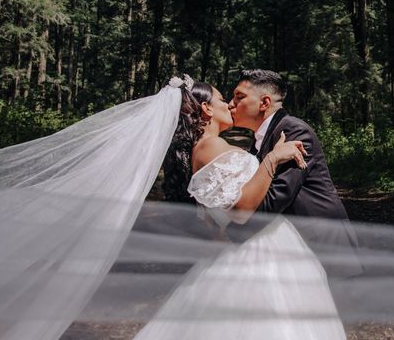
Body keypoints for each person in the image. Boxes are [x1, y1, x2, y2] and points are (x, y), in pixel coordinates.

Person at [131, 75, 347, 339]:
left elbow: (223, 204)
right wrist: (273, 158)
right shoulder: (212, 146)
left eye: (236, 98)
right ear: (206, 109)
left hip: (258, 243)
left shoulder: (206, 148)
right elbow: (244, 209)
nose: (230, 105)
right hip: (260, 249)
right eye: (224, 99)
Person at [229, 69, 358, 250]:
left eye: (239, 97)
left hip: (321, 241)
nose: (230, 104)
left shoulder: (292, 130)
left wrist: (231, 234)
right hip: (291, 243)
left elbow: (278, 195)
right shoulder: (262, 137)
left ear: (264, 102)